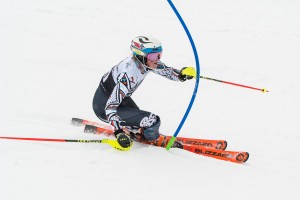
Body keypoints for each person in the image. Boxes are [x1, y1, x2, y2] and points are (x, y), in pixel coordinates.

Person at [92, 36, 194, 148]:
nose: (157, 59)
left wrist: (181, 75)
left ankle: (136, 130)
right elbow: (110, 107)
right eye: (154, 56)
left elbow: (167, 71)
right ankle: (152, 138)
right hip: (104, 108)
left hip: (120, 101)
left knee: (140, 122)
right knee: (152, 121)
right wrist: (119, 132)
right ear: (140, 55)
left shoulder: (145, 62)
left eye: (160, 54)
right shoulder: (129, 74)